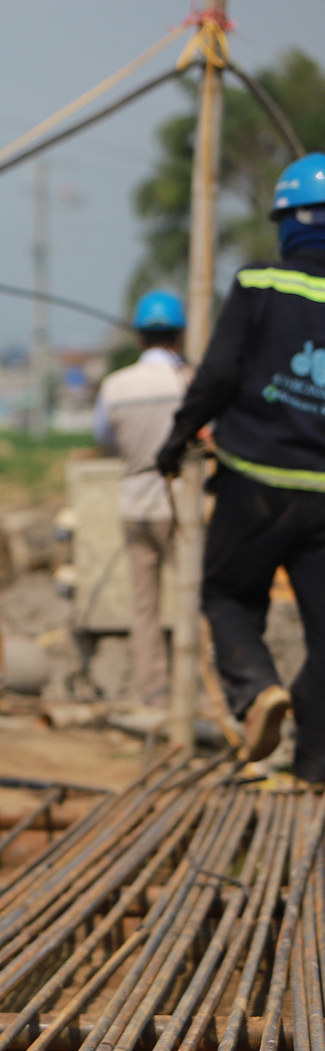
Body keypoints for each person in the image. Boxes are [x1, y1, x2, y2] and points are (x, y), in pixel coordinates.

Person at [157, 152, 325, 778]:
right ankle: (315, 766)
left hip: (256, 481)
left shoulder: (262, 286)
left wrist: (175, 442)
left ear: (290, 221)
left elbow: (218, 377)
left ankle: (257, 692)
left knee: (227, 596)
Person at [94, 290, 190, 709]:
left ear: (138, 337)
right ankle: (198, 692)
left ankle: (153, 696)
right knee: (195, 600)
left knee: (144, 608)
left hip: (133, 505)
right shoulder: (190, 382)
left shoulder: (115, 386)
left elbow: (104, 440)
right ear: (180, 334)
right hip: (181, 507)